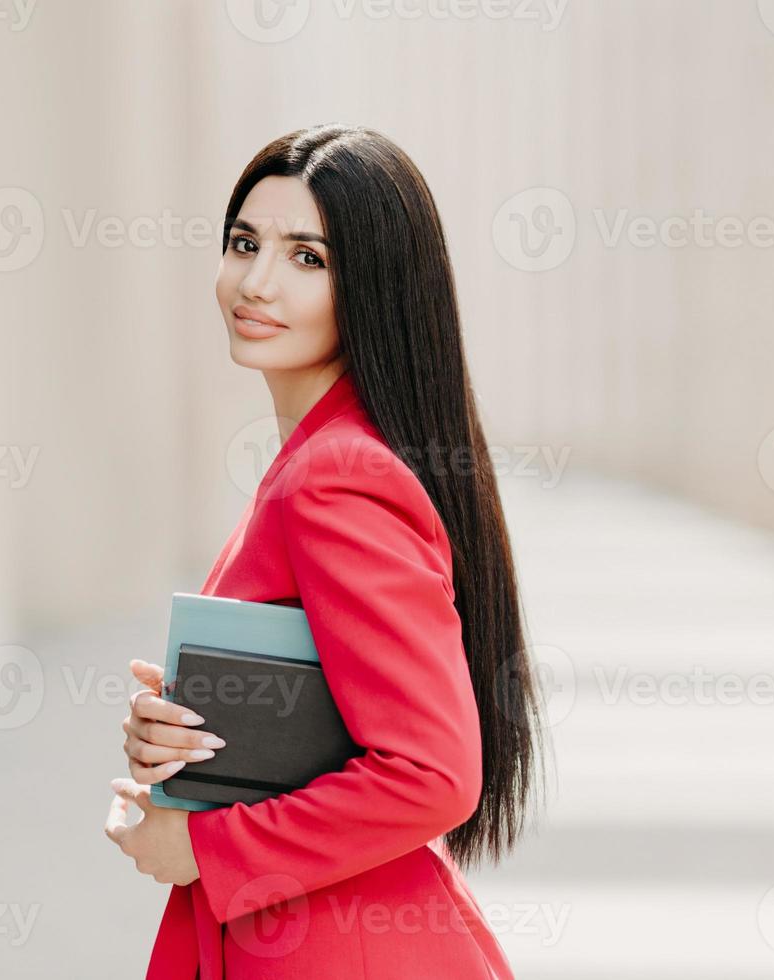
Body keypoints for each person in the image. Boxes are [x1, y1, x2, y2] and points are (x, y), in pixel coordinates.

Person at [102, 124, 542, 979]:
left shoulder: (334, 477)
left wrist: (206, 847)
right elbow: (344, 707)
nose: (256, 283)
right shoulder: (321, 459)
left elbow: (433, 770)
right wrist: (195, 726)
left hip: (330, 942)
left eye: (309, 258)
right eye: (244, 243)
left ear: (373, 287)